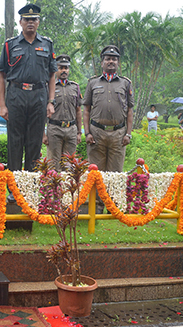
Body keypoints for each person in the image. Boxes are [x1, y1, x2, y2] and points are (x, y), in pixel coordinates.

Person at [0, 4, 57, 176]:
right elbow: (2, 76)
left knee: (35, 142)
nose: (30, 22)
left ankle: (31, 185)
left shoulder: (47, 44)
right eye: (27, 19)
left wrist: (51, 102)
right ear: (20, 22)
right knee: (15, 142)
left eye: (34, 19)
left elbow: (52, 75)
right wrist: (3, 105)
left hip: (39, 96)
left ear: (38, 22)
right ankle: (14, 188)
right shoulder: (10, 45)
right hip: (16, 95)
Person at [82, 45, 134, 212]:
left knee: (116, 172)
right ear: (102, 62)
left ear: (118, 63)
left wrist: (128, 134)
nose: (111, 61)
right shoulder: (93, 82)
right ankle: (97, 206)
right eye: (108, 59)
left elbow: (130, 110)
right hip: (97, 133)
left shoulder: (125, 83)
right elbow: (86, 109)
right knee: (97, 172)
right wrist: (87, 132)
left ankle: (113, 205)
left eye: (114, 59)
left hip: (118, 133)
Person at [42, 54, 81, 170]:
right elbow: (44, 111)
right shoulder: (49, 87)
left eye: (66, 68)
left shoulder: (75, 87)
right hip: (54, 129)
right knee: (53, 165)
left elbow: (78, 110)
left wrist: (79, 132)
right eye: (61, 68)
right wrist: (43, 134)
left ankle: (68, 188)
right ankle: (53, 188)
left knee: (69, 165)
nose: (64, 71)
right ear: (56, 69)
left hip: (71, 130)